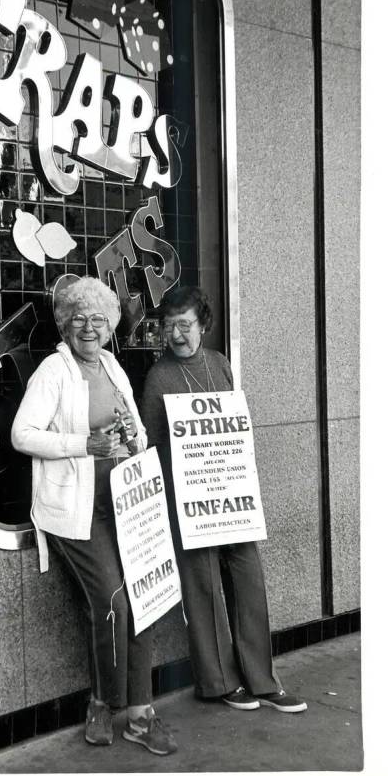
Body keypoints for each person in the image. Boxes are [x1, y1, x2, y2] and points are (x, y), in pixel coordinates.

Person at [11, 276, 177, 755]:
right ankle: (102, 704)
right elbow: (24, 434)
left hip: (125, 505)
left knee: (143, 600)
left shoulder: (112, 366)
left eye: (98, 320)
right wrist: (82, 445)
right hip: (75, 512)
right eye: (79, 319)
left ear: (110, 327)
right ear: (65, 324)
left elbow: (139, 436)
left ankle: (141, 715)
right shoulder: (53, 370)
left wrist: (132, 438)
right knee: (113, 603)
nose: (89, 328)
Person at [141, 285, 307, 714]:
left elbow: (236, 430)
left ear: (203, 325)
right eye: (169, 326)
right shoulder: (159, 377)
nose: (176, 334)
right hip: (188, 500)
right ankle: (217, 683)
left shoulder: (219, 365)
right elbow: (154, 447)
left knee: (249, 579)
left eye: (185, 325)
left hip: (231, 496)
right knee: (204, 588)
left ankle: (263, 680)